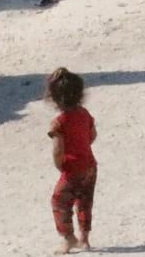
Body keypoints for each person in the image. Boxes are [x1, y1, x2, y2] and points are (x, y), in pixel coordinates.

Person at [44, 68, 97, 254]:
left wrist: (61, 166)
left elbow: (57, 150)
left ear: (55, 98)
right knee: (85, 202)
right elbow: (92, 135)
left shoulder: (59, 123)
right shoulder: (84, 114)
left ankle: (69, 238)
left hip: (73, 169)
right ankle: (85, 239)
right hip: (90, 164)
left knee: (59, 202)